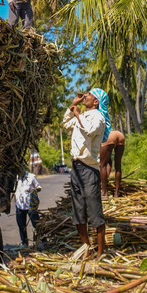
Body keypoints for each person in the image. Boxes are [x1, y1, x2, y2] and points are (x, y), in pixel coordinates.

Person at [63, 89, 107, 260]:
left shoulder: (98, 117)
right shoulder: (81, 116)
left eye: (88, 95)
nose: (85, 96)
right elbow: (66, 123)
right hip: (76, 168)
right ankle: (87, 250)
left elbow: (89, 130)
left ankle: (101, 254)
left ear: (96, 102)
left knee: (95, 212)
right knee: (78, 213)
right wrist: (73, 105)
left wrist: (77, 114)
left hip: (89, 169)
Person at [14, 171, 41, 247]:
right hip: (19, 205)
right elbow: (14, 191)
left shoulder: (31, 177)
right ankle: (24, 243)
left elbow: (38, 187)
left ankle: (42, 240)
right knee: (21, 225)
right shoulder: (16, 178)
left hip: (30, 205)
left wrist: (34, 191)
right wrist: (15, 201)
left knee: (36, 224)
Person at [100, 130, 125, 197]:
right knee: (118, 164)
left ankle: (104, 192)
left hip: (108, 136)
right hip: (119, 134)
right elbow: (109, 162)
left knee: (102, 165)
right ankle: (117, 192)